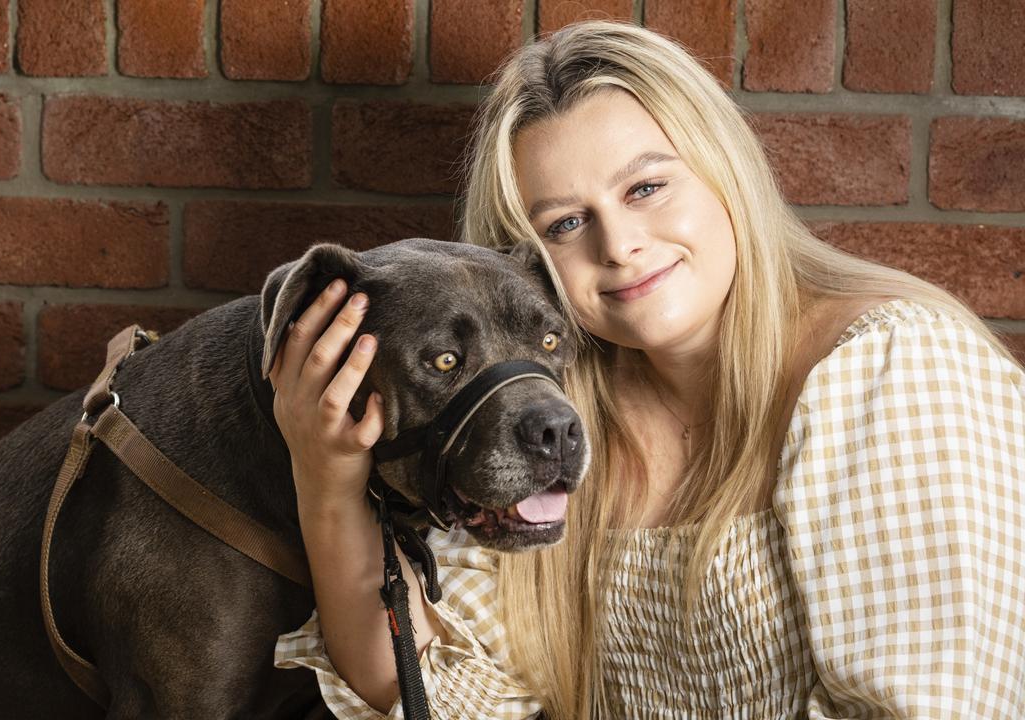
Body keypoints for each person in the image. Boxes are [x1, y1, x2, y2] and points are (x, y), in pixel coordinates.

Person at [268, 20, 1025, 719]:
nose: (620, 244)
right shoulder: (560, 420)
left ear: (724, 170)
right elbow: (443, 698)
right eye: (565, 222)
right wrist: (327, 480)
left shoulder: (891, 370)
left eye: (647, 187)